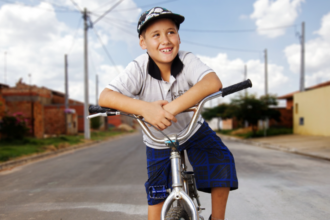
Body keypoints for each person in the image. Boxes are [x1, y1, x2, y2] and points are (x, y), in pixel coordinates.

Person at [98, 7, 238, 220]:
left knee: (221, 160)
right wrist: (146, 109)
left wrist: (169, 109)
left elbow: (212, 82)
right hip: (158, 139)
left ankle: (218, 218)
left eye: (171, 32)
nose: (165, 40)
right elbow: (106, 97)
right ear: (143, 43)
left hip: (192, 130)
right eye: (156, 35)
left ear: (179, 38)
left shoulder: (187, 60)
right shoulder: (138, 68)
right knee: (157, 192)